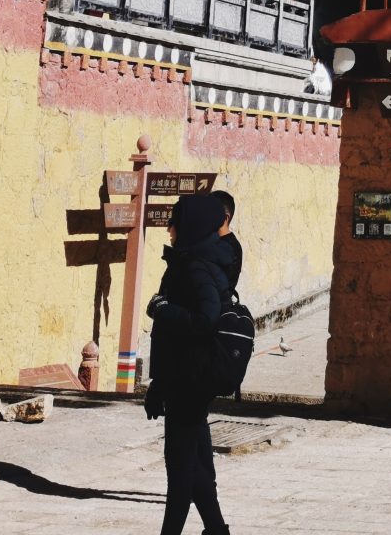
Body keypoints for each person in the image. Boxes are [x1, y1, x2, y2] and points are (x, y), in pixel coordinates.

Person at [146, 190, 241, 535]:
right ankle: (216, 530)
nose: (168, 228)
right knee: (196, 467)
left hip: (188, 379)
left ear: (190, 227)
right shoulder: (192, 260)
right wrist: (158, 384)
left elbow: (205, 319)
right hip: (182, 377)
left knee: (181, 470)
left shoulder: (196, 266)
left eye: (174, 222)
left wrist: (162, 309)